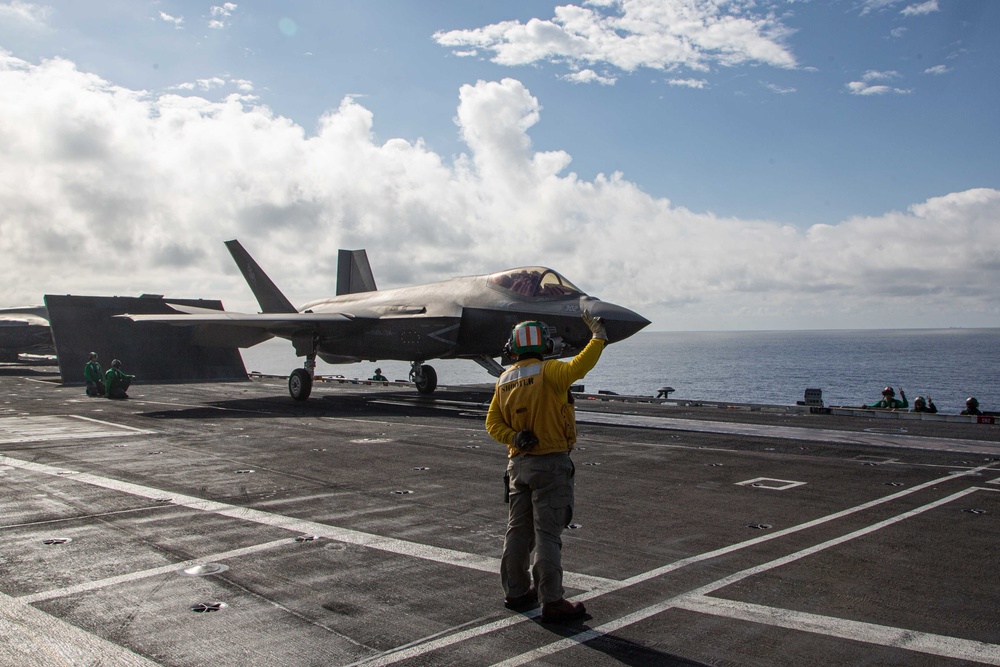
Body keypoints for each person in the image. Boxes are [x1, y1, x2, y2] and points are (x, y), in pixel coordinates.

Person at [485, 311, 607, 623]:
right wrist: (598, 337)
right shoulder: (550, 371)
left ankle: (516, 591)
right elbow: (581, 365)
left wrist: (514, 437)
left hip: (518, 466)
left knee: (517, 531)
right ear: (545, 344)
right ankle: (552, 600)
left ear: (513, 347)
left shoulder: (504, 380)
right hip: (550, 464)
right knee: (547, 534)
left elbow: (492, 424)